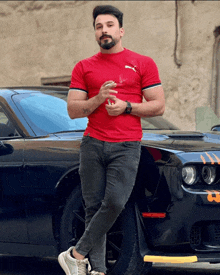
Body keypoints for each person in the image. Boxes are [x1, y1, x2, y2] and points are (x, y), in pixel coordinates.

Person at [58, 4, 165, 275]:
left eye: (108, 25)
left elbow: (158, 106)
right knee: (93, 208)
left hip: (127, 145)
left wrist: (127, 107)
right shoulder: (84, 67)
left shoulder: (143, 63)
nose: (104, 30)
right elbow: (73, 110)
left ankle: (75, 254)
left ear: (121, 30)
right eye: (98, 27)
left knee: (115, 203)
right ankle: (98, 270)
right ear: (95, 33)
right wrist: (98, 99)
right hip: (92, 143)